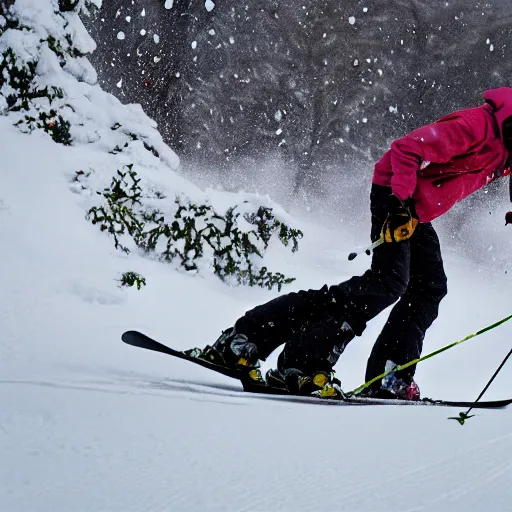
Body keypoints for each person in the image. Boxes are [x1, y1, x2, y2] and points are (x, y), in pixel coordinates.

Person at [191, 87, 512, 400]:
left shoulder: (508, 142)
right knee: (386, 282)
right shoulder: (477, 127)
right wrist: (399, 205)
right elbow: (406, 148)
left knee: (428, 286)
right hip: (395, 196)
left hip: (414, 208)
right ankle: (257, 345)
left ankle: (389, 376)